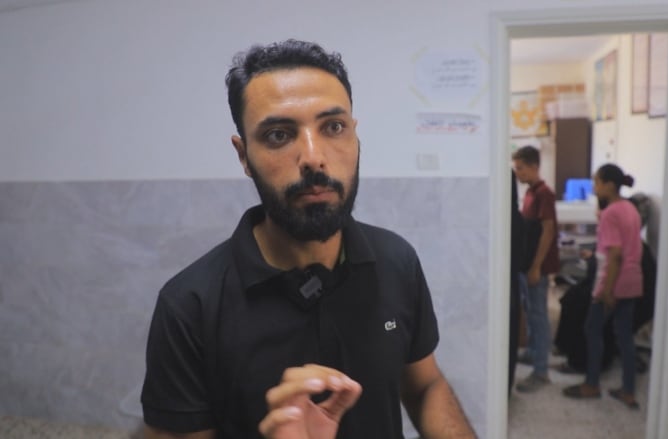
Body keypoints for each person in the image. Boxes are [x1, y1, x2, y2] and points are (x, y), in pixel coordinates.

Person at [140, 39, 476, 439]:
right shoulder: (189, 306)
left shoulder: (396, 260)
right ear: (244, 155)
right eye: (279, 135)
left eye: (333, 127)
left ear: (354, 135)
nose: (314, 157)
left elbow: (425, 385)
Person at [563, 163, 643, 410]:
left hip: (613, 281)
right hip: (632, 280)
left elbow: (615, 255)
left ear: (609, 185)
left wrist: (606, 291)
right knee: (624, 337)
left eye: (596, 183)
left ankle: (592, 383)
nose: (594, 188)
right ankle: (628, 390)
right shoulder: (630, 208)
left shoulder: (611, 213)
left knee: (592, 330)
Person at [511, 146, 560, 392]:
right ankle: (532, 352)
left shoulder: (544, 194)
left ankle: (541, 372)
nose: (516, 172)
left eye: (520, 168)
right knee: (530, 312)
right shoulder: (530, 193)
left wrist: (536, 267)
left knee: (539, 316)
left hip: (536, 267)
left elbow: (548, 231)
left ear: (533, 166)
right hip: (527, 263)